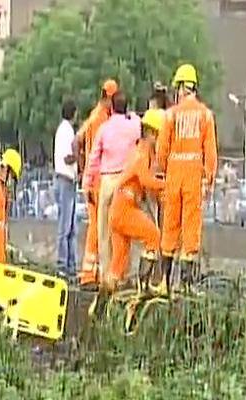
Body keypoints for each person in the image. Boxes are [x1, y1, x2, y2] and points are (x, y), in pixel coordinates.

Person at [91, 110, 167, 316]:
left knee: (118, 266)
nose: (159, 139)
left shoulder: (138, 151)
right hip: (124, 208)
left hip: (119, 209)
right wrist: (167, 184)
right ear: (151, 133)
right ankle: (144, 287)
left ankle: (99, 306)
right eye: (158, 134)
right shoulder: (141, 154)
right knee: (154, 236)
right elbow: (145, 180)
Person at [157, 64, 218, 293]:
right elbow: (210, 152)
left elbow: (162, 148)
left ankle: (164, 282)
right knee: (191, 228)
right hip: (193, 175)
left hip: (174, 174)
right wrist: (208, 178)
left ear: (182, 87)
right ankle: (185, 285)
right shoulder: (205, 115)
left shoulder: (171, 114)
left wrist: (163, 171)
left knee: (170, 227)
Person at [82, 91, 141, 285]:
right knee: (126, 229)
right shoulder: (134, 125)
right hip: (126, 181)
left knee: (104, 230)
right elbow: (138, 122)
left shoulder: (104, 129)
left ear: (112, 108)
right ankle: (124, 273)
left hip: (107, 181)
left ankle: (107, 274)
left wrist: (87, 184)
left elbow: (93, 159)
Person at [72, 79, 118, 287]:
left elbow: (78, 141)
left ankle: (94, 271)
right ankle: (89, 274)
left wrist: (82, 171)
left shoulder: (95, 116)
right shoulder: (101, 119)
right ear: (108, 97)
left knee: (99, 226)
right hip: (97, 180)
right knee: (97, 227)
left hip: (93, 179)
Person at [53, 99, 79, 278]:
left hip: (65, 180)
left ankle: (69, 265)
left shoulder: (62, 130)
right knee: (66, 226)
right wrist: (79, 154)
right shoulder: (67, 131)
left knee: (70, 226)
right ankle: (64, 264)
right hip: (65, 180)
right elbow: (67, 158)